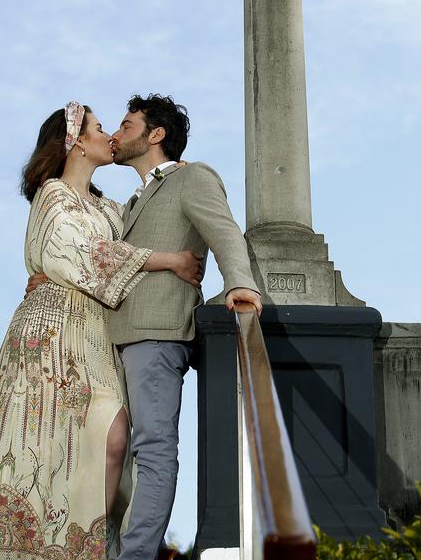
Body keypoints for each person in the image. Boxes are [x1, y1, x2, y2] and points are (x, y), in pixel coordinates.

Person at [0, 103, 203, 560]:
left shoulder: (111, 208)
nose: (108, 134)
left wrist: (172, 176)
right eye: (97, 128)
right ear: (74, 141)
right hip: (48, 338)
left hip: (97, 337)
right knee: (46, 452)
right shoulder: (53, 195)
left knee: (112, 438)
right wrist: (170, 260)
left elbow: (142, 222)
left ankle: (88, 550)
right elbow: (83, 255)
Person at [105, 93, 263, 560]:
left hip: (157, 334)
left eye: (127, 124)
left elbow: (224, 231)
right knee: (115, 457)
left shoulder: (193, 177)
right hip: (113, 339)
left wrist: (239, 282)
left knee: (152, 449)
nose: (118, 132)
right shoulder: (129, 201)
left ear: (156, 135)